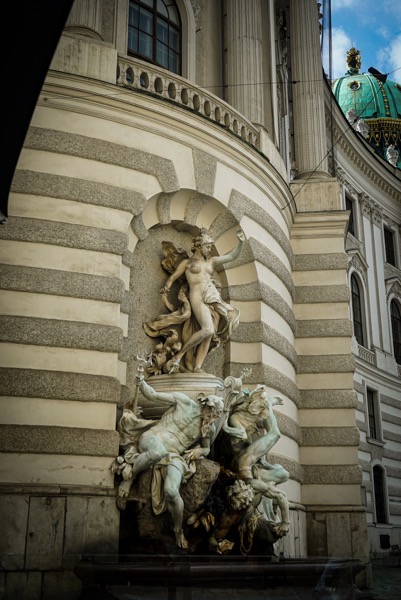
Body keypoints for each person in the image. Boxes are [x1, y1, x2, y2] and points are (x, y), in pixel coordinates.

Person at [116, 374, 225, 549]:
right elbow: (152, 395)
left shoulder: (208, 428)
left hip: (174, 456)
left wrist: (199, 450)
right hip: (153, 439)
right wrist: (142, 382)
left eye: (217, 415)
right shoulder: (183, 401)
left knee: (171, 491)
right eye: (214, 412)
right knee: (157, 451)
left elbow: (206, 448)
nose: (214, 417)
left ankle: (177, 529)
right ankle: (128, 480)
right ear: (206, 405)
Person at [144, 227, 245, 374]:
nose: (209, 250)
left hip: (211, 298)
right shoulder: (187, 263)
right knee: (208, 330)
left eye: (210, 247)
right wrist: (166, 287)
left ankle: (198, 366)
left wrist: (240, 243)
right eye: (208, 247)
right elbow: (173, 277)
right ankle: (179, 355)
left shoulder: (211, 262)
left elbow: (231, 257)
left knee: (210, 333)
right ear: (199, 246)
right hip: (196, 297)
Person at [227, 385, 290, 537]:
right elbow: (279, 495)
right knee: (284, 474)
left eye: (239, 502)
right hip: (249, 464)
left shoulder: (251, 484)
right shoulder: (250, 492)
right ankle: (267, 403)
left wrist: (285, 522)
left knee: (275, 434)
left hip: (247, 456)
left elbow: (280, 495)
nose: (240, 504)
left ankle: (268, 402)